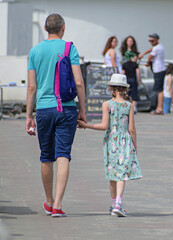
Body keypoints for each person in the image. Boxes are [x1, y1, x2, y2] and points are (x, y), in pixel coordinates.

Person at [26, 13, 87, 217]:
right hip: (66, 108)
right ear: (63, 28)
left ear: (45, 28)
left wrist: (28, 115)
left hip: (43, 109)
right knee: (63, 155)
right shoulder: (70, 48)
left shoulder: (34, 51)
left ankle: (49, 201)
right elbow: (78, 82)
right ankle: (58, 205)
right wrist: (83, 110)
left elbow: (32, 86)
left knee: (46, 156)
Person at [77, 74, 142, 217]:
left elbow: (104, 126)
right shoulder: (129, 105)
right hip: (125, 141)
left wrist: (86, 125)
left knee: (113, 173)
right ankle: (118, 203)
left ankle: (115, 204)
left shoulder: (107, 104)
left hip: (111, 141)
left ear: (111, 88)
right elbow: (132, 129)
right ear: (125, 89)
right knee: (121, 174)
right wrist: (134, 146)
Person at [143, 33, 166, 115]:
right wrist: (143, 53)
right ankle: (159, 108)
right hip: (160, 70)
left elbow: (150, 57)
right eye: (150, 41)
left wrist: (148, 63)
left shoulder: (156, 48)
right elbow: (151, 50)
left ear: (157, 40)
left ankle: (159, 109)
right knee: (159, 89)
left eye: (152, 40)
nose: (151, 42)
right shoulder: (160, 46)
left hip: (158, 70)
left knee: (159, 90)